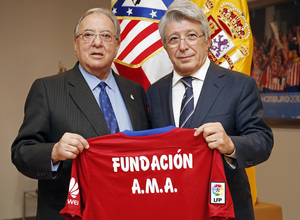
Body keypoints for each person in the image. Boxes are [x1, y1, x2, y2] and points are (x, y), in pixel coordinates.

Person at [11, 8, 149, 220]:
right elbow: (21, 153)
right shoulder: (48, 89)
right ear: (76, 44)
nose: (97, 43)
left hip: (130, 211)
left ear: (117, 45)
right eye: (88, 35)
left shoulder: (135, 91)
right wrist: (54, 152)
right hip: (74, 214)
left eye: (106, 36)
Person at [146, 1, 273, 220]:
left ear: (208, 41)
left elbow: (262, 141)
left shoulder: (239, 85)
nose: (183, 46)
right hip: (170, 209)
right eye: (174, 39)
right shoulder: (153, 92)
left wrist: (231, 145)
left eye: (192, 36)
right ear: (166, 48)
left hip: (225, 208)